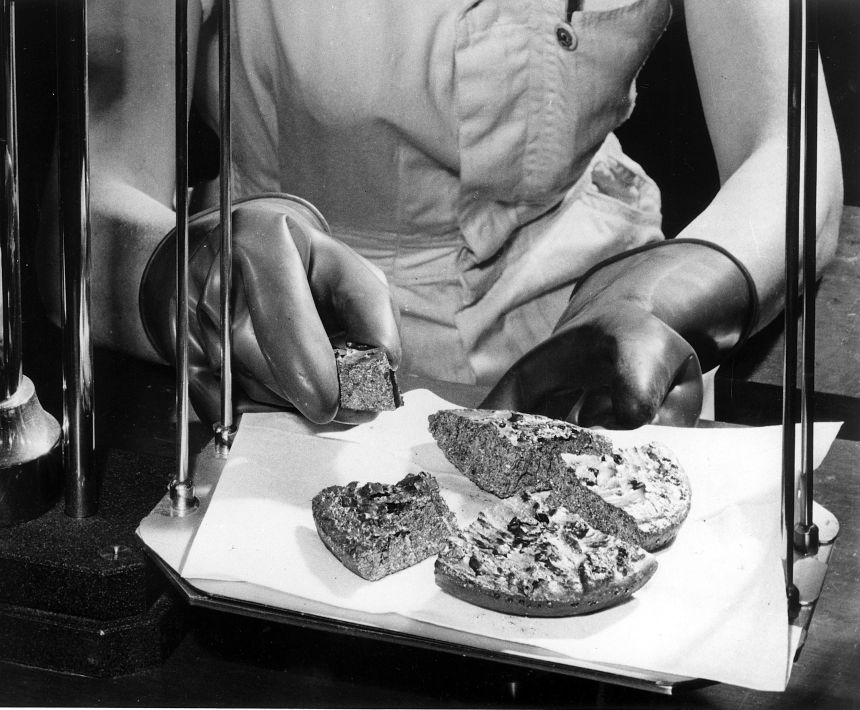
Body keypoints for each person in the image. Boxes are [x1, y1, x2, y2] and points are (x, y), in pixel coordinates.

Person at [38, 0, 843, 429]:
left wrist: (667, 293)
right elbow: (87, 197)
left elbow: (793, 153)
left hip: (590, 353)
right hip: (276, 359)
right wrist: (179, 277)